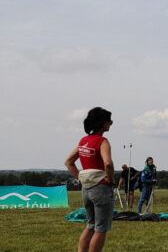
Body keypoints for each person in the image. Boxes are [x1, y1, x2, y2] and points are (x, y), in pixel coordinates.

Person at [64, 107, 115, 252]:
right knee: (101, 228)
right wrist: (110, 178)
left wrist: (80, 178)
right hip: (101, 188)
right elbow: (108, 163)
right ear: (103, 123)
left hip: (86, 189)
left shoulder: (83, 141)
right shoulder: (102, 141)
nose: (111, 123)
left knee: (90, 224)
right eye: (109, 121)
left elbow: (68, 162)